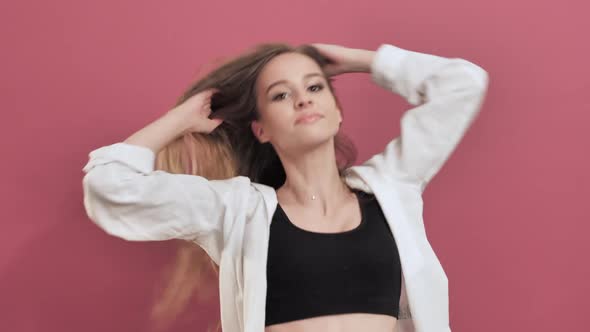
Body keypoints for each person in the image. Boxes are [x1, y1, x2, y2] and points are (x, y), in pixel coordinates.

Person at [82, 41, 489, 332]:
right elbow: (110, 185)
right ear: (259, 128)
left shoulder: (391, 188)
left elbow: (463, 83)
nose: (303, 100)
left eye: (314, 87)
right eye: (281, 95)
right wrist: (184, 118)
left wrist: (361, 61)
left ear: (337, 110)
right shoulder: (237, 210)